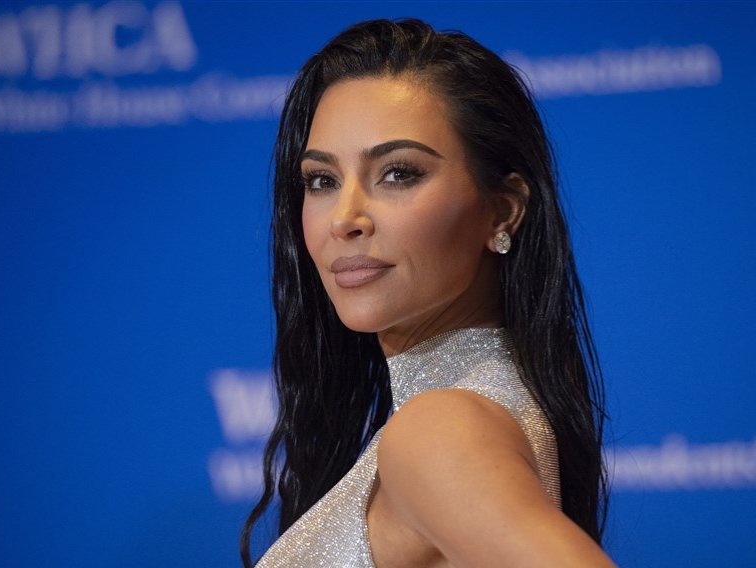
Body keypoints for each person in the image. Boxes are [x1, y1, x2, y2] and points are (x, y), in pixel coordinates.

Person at [240, 17, 615, 567]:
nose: (344, 219)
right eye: (322, 181)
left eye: (398, 173)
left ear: (503, 210)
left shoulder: (443, 429)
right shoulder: (472, 415)